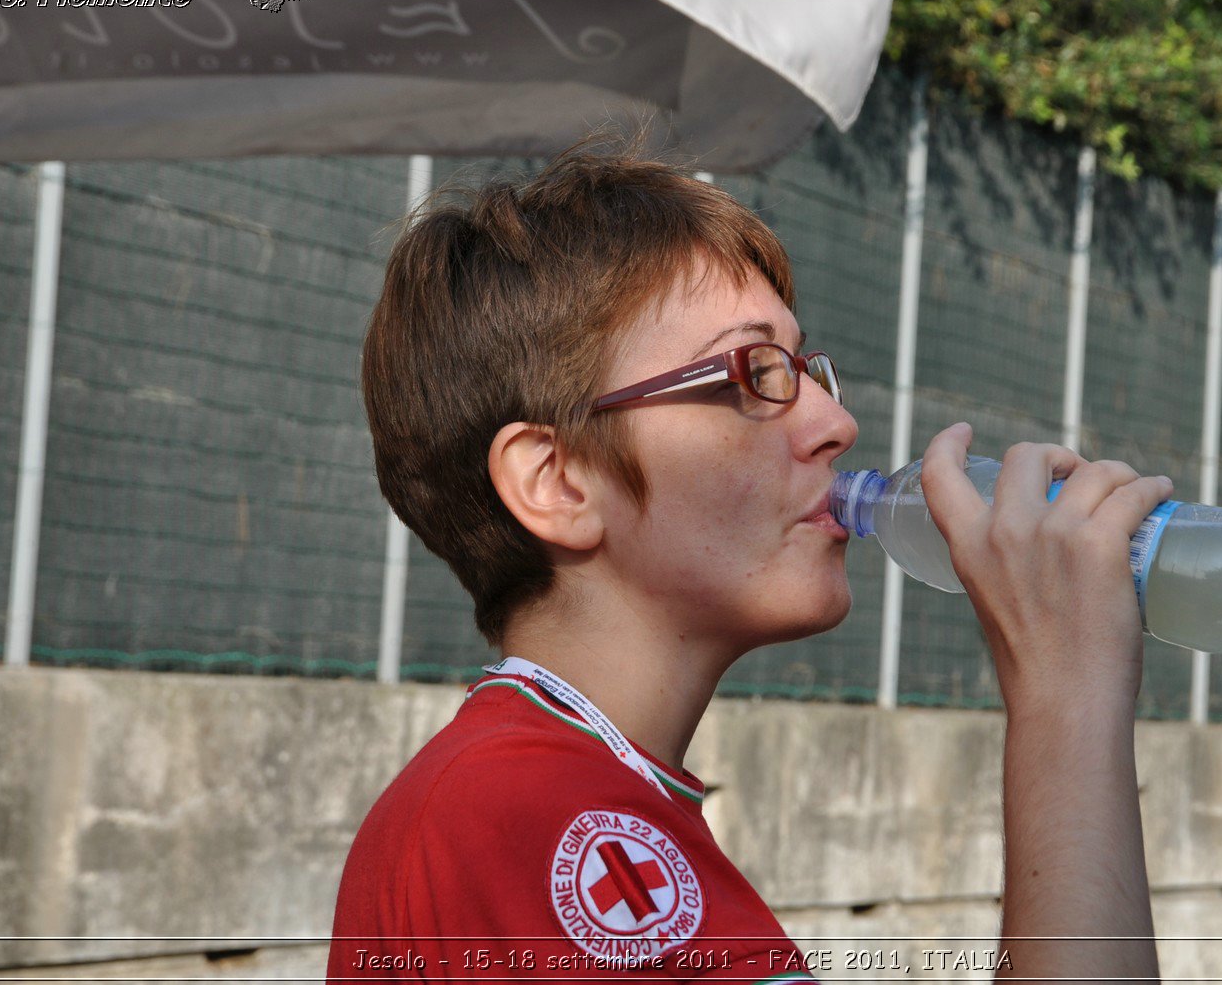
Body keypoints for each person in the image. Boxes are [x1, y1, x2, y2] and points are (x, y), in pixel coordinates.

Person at [328, 137, 1168, 983]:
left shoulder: (563, 792)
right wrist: (1067, 701)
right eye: (751, 371)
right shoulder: (522, 816)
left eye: (804, 368)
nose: (835, 424)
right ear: (558, 480)